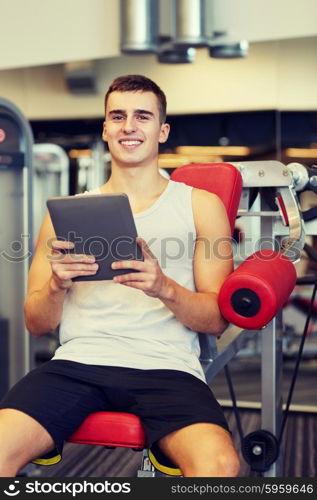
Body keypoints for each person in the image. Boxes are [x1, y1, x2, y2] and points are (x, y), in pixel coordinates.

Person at [0, 75, 240, 477]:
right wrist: (57, 285)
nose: (129, 126)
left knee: (220, 467)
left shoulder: (200, 206)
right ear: (106, 129)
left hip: (166, 367)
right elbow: (36, 322)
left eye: (142, 116)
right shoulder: (65, 214)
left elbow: (216, 319)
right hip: (78, 363)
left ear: (162, 131)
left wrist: (164, 287)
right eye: (118, 116)